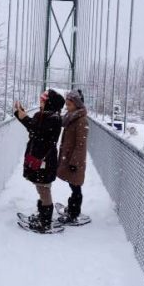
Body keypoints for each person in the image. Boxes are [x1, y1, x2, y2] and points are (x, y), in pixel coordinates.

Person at [14, 89, 65, 231]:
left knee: (44, 188)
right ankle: (42, 214)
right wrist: (22, 115)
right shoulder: (48, 116)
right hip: (42, 158)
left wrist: (21, 115)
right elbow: (34, 127)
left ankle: (45, 222)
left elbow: (35, 128)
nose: (40, 102)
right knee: (41, 186)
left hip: (45, 160)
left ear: (49, 103)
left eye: (43, 100)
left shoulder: (52, 118)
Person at [56, 89, 89, 223]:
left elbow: (81, 145)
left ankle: (73, 213)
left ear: (77, 104)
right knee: (73, 185)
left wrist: (75, 163)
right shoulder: (72, 117)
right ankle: (71, 209)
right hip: (69, 158)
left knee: (76, 187)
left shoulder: (81, 121)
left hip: (74, 161)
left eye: (69, 104)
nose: (66, 107)